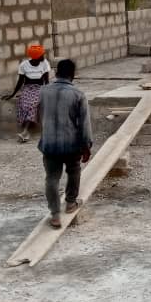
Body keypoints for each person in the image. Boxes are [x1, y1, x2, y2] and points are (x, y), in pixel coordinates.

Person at [37, 59, 92, 229]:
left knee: (52, 178)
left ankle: (54, 215)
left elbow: (39, 116)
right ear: (72, 74)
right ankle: (70, 203)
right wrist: (86, 146)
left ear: (56, 72)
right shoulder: (78, 94)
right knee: (74, 172)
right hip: (71, 144)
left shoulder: (43, 92)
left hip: (49, 144)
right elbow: (84, 124)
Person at [2, 44, 50, 143]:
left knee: (33, 103)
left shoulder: (45, 64)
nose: (43, 56)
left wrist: (48, 93)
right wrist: (12, 94)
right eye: (42, 55)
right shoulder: (24, 65)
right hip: (27, 88)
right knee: (23, 104)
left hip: (39, 89)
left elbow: (46, 81)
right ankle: (26, 133)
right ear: (37, 57)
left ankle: (25, 131)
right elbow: (20, 82)